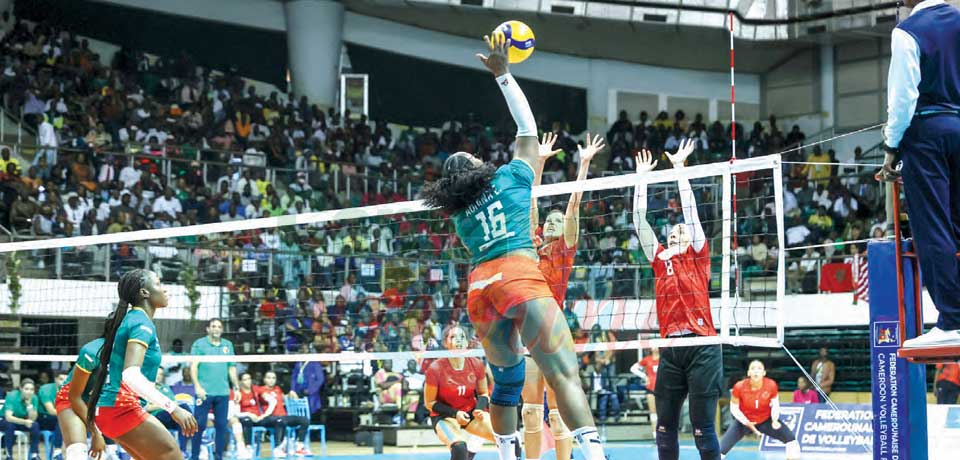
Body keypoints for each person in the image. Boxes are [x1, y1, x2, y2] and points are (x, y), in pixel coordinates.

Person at [420, 35, 606, 460]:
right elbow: (527, 129)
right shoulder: (507, 178)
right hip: (520, 277)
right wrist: (503, 74)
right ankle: (594, 454)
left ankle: (507, 455)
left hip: (480, 290)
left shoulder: (459, 213)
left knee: (505, 386)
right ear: (475, 168)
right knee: (564, 376)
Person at [633, 142, 722, 460]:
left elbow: (691, 213)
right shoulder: (658, 258)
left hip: (703, 346)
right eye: (672, 232)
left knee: (702, 426)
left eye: (681, 232)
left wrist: (680, 170)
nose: (676, 233)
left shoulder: (698, 255)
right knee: (664, 427)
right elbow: (638, 221)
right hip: (671, 349)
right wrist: (641, 178)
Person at [880, 0, 960, 347]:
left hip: (927, 136)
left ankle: (953, 319)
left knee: (934, 227)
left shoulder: (908, 31)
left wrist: (891, 148)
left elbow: (902, 99)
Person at [521, 131, 603, 460]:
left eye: (559, 220)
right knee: (529, 412)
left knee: (557, 414)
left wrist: (583, 165)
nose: (554, 222)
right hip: (526, 329)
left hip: (553, 329)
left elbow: (574, 205)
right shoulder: (532, 244)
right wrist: (539, 162)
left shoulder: (564, 249)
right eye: (550, 220)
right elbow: (532, 201)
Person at [86, 269, 198, 460]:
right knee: (173, 456)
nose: (165, 290)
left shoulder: (133, 319)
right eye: (159, 284)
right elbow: (130, 374)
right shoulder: (140, 323)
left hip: (112, 410)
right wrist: (173, 407)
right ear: (144, 292)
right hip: (121, 409)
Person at [425, 325, 496, 460]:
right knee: (460, 448)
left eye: (462, 337)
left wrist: (479, 409)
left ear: (467, 342)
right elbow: (430, 403)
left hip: (470, 413)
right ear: (446, 343)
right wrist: (455, 413)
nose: (458, 340)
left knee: (509, 438)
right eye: (453, 337)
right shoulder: (435, 369)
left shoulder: (476, 364)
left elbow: (483, 393)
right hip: (444, 416)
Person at [719, 361, 800, 459]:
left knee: (791, 439)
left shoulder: (771, 385)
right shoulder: (739, 386)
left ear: (764, 373)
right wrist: (746, 422)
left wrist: (774, 420)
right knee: (720, 450)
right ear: (748, 373)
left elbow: (775, 404)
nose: (756, 371)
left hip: (765, 420)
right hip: (744, 421)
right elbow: (734, 408)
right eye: (753, 369)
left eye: (759, 369)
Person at [190, 318, 240, 460]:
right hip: (203, 393)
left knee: (221, 427)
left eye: (219, 326)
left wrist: (236, 388)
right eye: (213, 326)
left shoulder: (227, 345)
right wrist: (197, 387)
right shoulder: (199, 344)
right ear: (208, 329)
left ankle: (219, 457)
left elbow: (231, 368)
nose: (216, 328)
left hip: (223, 393)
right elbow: (193, 367)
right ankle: (194, 456)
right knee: (198, 425)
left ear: (222, 329)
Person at [56, 336, 108, 460]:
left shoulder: (129, 353)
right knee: (77, 453)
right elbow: (74, 396)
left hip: (97, 402)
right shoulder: (93, 351)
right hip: (71, 399)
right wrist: (96, 433)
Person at [254, 371, 311, 457]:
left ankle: (299, 446)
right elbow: (266, 398)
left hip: (284, 416)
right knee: (280, 421)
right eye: (269, 378)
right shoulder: (261, 390)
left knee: (304, 420)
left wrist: (290, 394)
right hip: (271, 417)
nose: (271, 380)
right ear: (264, 379)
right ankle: (278, 448)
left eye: (273, 378)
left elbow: (284, 398)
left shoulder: (278, 389)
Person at [148, 368, 192, 456]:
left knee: (184, 416)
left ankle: (182, 451)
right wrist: (164, 404)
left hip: (170, 415)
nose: (158, 376)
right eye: (157, 373)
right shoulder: (146, 388)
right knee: (182, 410)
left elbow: (173, 403)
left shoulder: (165, 388)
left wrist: (162, 404)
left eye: (161, 374)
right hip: (156, 417)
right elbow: (147, 407)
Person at [1, 379, 40, 459]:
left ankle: (34, 455)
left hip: (20, 420)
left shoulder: (34, 398)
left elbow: (33, 419)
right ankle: (9, 455)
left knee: (35, 425)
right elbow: (8, 417)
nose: (29, 392)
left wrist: (29, 406)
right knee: (10, 425)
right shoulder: (12, 396)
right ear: (21, 389)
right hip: (4, 420)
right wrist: (24, 421)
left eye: (32, 389)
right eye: (26, 389)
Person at [290, 343, 326, 417]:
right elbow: (293, 377)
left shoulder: (315, 363)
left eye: (305, 349)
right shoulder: (298, 364)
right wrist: (292, 390)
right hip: (298, 394)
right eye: (302, 349)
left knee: (310, 413)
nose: (303, 351)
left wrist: (310, 390)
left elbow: (320, 379)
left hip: (310, 395)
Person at [630, 347, 660, 434]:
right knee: (653, 412)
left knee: (663, 412)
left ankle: (664, 434)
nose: (655, 347)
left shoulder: (663, 359)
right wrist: (644, 376)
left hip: (662, 388)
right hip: (650, 388)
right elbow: (633, 368)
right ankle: (655, 434)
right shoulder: (647, 359)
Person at [37, 371, 66, 458]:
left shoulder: (69, 389)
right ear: (55, 379)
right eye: (61, 379)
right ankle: (57, 450)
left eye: (66, 380)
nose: (64, 382)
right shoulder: (46, 389)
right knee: (62, 420)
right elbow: (51, 411)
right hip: (43, 418)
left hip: (60, 418)